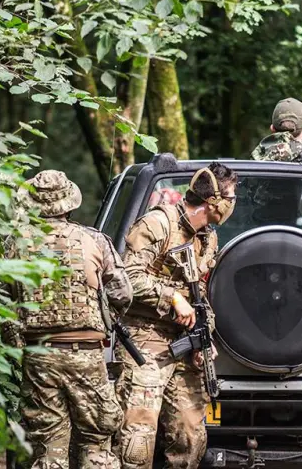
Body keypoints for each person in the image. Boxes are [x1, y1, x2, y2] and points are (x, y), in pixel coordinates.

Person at [2, 170, 133, 469]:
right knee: (97, 443)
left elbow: (1, 301)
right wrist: (106, 315)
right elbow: (123, 294)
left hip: (39, 357)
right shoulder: (94, 240)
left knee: (49, 447)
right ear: (70, 204)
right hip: (86, 355)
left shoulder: (14, 245)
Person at [113, 162, 238, 469]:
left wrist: (204, 339)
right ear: (215, 202)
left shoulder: (207, 238)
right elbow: (126, 277)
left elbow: (202, 297)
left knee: (190, 437)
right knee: (136, 441)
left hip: (186, 346)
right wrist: (171, 297)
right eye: (231, 198)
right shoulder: (157, 224)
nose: (233, 205)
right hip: (145, 343)